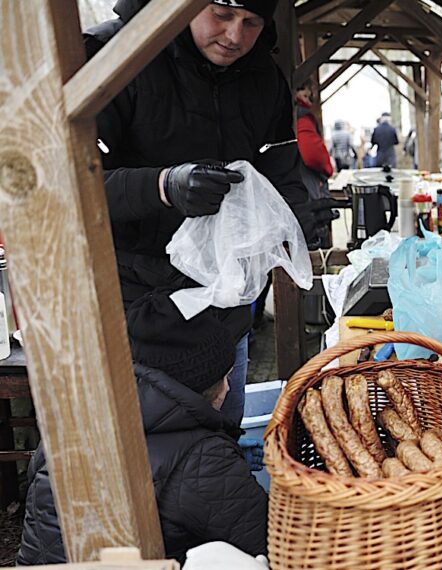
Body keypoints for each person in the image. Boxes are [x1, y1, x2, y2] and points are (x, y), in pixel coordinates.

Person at [83, 0, 331, 426]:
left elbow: (279, 171)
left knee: (218, 443)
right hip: (131, 306)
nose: (235, 36)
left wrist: (294, 219)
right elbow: (66, 186)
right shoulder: (113, 56)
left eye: (252, 22)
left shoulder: (263, 78)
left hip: (221, 306)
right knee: (145, 448)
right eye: (222, 14)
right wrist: (163, 186)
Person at [19, 292, 268, 565]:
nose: (229, 387)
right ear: (204, 387)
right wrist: (223, 468)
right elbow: (269, 541)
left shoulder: (72, 419)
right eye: (226, 377)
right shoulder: (206, 460)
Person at [295, 81, 338, 249]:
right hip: (308, 187)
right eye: (304, 94)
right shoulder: (302, 117)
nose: (307, 98)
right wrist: (327, 167)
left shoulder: (298, 115)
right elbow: (311, 153)